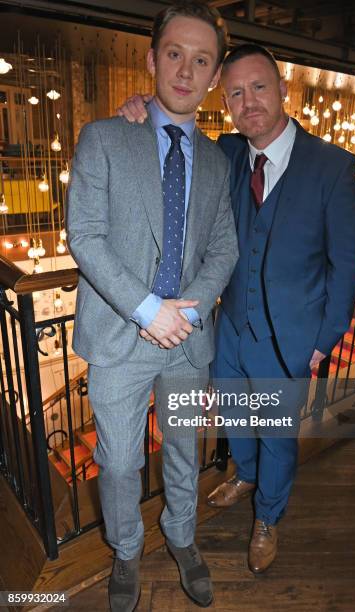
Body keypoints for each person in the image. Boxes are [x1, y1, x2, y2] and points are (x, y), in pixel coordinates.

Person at [118, 43, 355, 576]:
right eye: (235, 92)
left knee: (277, 434)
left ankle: (268, 517)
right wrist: (141, 110)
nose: (248, 100)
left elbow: (349, 265)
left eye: (259, 87)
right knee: (234, 417)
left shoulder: (332, 167)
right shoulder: (227, 153)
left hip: (290, 335)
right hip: (228, 326)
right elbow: (172, 139)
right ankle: (245, 474)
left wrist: (327, 337)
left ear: (282, 89)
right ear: (225, 101)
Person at [66, 2, 238, 610]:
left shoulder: (218, 161)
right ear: (151, 59)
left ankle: (183, 538)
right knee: (117, 464)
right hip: (119, 337)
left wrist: (185, 312)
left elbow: (225, 246)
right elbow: (83, 235)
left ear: (214, 74)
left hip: (188, 341)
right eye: (174, 54)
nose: (186, 71)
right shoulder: (106, 137)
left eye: (201, 60)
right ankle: (127, 550)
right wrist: (148, 309)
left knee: (186, 450)